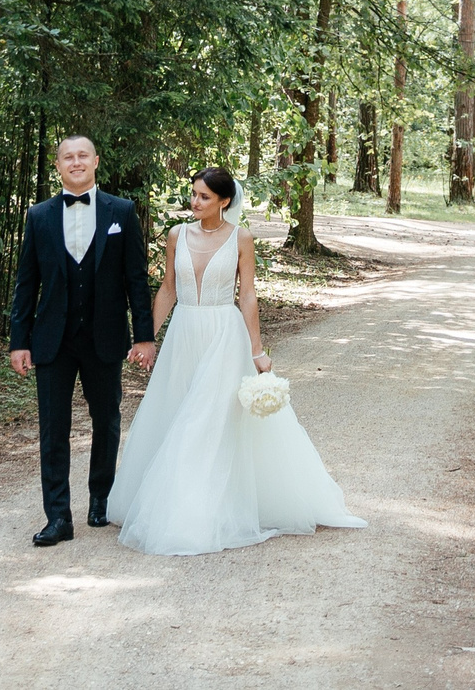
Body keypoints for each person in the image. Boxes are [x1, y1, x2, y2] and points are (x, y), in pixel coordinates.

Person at [107, 166, 366, 555]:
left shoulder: (240, 238)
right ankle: (168, 502)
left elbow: (247, 296)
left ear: (224, 201)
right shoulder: (177, 235)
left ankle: (192, 514)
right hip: (184, 335)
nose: (195, 202)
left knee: (204, 420)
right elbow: (168, 289)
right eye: (193, 194)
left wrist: (256, 351)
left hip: (224, 337)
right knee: (175, 410)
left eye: (204, 197)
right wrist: (146, 338)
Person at [7, 134, 156, 546]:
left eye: (82, 156)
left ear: (96, 161)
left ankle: (100, 499)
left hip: (104, 336)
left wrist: (144, 336)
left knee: (106, 420)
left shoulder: (121, 211)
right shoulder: (38, 216)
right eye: (68, 157)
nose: (76, 162)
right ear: (58, 166)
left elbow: (136, 279)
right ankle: (58, 517)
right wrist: (19, 341)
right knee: (53, 428)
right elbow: (26, 284)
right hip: (51, 339)